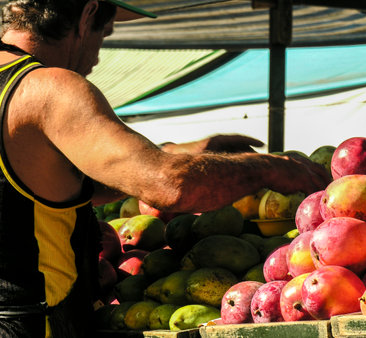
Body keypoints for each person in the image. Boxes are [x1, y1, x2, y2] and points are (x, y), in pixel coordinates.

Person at [0, 0, 330, 337]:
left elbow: (75, 178)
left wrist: (184, 153)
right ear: (86, 16)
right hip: (32, 323)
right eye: (106, 34)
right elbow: (169, 186)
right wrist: (268, 168)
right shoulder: (48, 89)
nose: (98, 56)